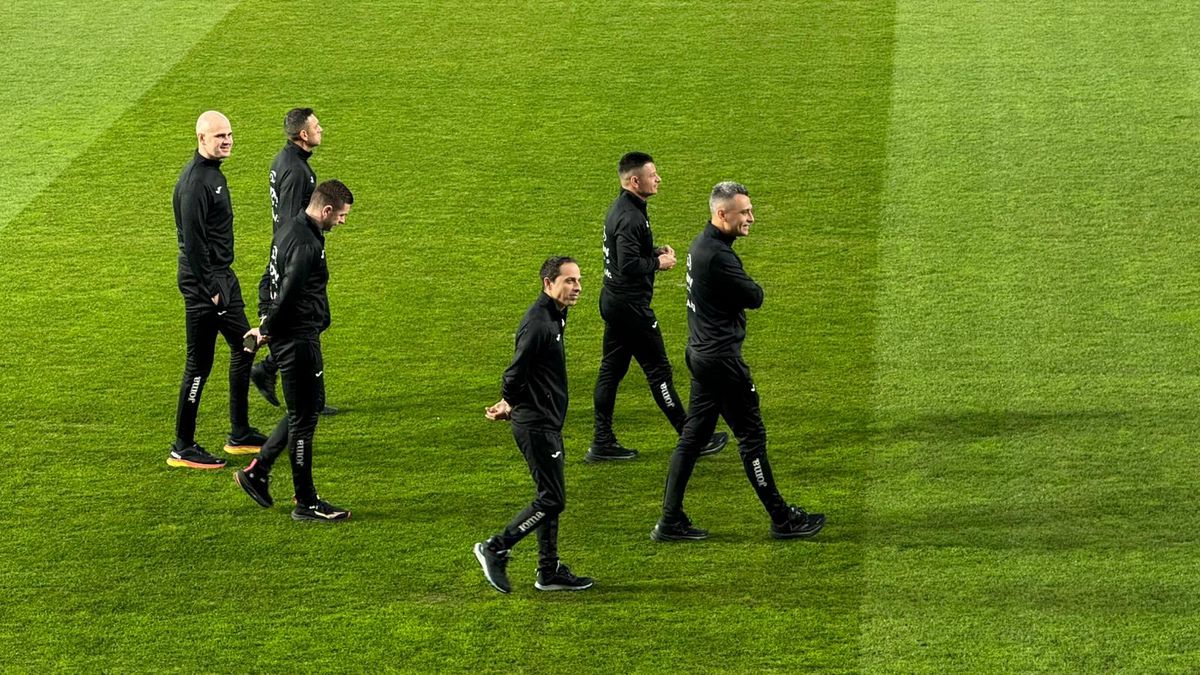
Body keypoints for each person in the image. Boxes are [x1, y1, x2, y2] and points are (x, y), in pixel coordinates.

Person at [652, 182, 825, 541]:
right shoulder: (718, 256)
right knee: (751, 437)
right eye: (744, 212)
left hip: (700, 354)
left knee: (692, 438)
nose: (751, 218)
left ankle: (669, 521)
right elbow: (754, 296)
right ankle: (783, 519)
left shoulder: (701, 245)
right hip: (722, 361)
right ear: (722, 214)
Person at [588, 152, 727, 462]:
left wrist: (651, 251)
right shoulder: (631, 216)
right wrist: (658, 262)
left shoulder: (623, 208)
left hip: (614, 301)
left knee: (611, 371)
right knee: (658, 372)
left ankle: (601, 441)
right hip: (631, 307)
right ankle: (694, 440)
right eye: (653, 175)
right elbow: (627, 265)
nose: (658, 179)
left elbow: (623, 253)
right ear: (634, 181)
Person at [234, 180, 354, 522]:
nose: (342, 222)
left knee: (309, 406)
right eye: (342, 215)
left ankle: (259, 470)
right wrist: (266, 329)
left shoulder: (289, 229)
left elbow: (267, 279)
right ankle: (306, 501)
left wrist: (265, 320)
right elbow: (287, 293)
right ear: (326, 210)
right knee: (304, 418)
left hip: (292, 335)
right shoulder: (305, 243)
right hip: (298, 340)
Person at [473, 257, 594, 594]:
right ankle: (495, 547)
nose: (577, 287)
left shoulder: (556, 314)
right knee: (553, 500)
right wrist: (510, 402)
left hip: (545, 419)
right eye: (569, 281)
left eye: (578, 280)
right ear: (548, 284)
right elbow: (514, 373)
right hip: (537, 424)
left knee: (549, 494)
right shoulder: (540, 323)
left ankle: (548, 570)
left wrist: (512, 402)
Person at [167, 110, 267, 470]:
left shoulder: (213, 174)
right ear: (201, 139)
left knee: (246, 346)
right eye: (219, 136)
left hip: (222, 276)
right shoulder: (196, 183)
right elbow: (193, 244)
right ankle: (182, 446)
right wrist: (210, 288)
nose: (227, 141)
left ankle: (240, 433)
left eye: (229, 134)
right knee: (199, 364)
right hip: (205, 283)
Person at [251, 108, 338, 416]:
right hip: (295, 255)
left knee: (317, 318)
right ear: (303, 134)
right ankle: (274, 373)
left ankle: (280, 376)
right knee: (309, 319)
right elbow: (290, 221)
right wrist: (297, 256)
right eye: (316, 126)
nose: (321, 129)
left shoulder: (284, 160)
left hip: (291, 250)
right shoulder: (298, 171)